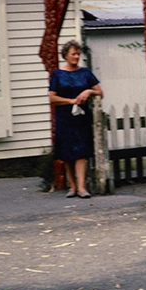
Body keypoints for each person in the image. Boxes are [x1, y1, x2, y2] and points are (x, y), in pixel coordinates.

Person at [48, 40, 103, 198]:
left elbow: (100, 91)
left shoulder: (85, 72)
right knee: (67, 153)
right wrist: (70, 101)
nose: (76, 57)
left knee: (81, 152)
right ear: (66, 55)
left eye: (78, 54)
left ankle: (81, 187)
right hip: (64, 117)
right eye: (73, 54)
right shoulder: (57, 74)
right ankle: (72, 187)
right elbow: (52, 97)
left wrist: (88, 92)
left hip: (81, 117)